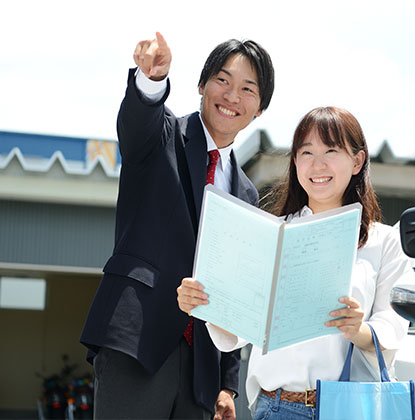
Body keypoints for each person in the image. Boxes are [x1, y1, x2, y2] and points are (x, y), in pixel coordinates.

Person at [80, 32, 275, 420]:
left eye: (247, 89)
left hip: (200, 374)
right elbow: (137, 124)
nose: (232, 95)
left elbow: (233, 291)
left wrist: (226, 382)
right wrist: (149, 81)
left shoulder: (248, 195)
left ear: (259, 109)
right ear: (201, 86)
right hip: (137, 342)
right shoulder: (162, 136)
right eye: (222, 80)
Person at [177, 106, 409, 419]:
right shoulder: (273, 233)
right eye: (306, 152)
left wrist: (358, 330)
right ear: (295, 161)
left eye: (331, 150)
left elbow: (392, 326)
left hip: (350, 408)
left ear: (357, 161)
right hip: (277, 407)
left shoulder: (383, 241)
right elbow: (241, 327)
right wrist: (204, 303)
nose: (318, 164)